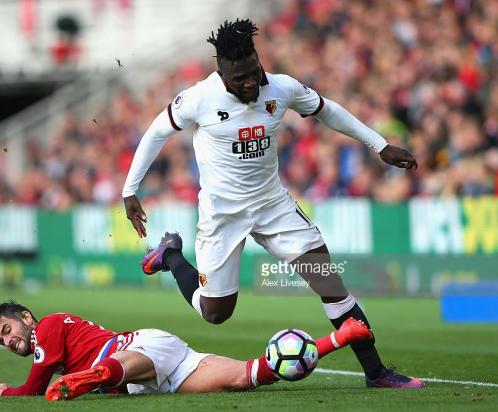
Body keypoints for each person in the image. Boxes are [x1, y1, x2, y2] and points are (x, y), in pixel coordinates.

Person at [122, 19, 424, 388]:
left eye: (253, 72)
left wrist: (379, 145)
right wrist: (129, 189)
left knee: (329, 283)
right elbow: (156, 132)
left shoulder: (282, 88)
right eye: (239, 80)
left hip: (272, 205)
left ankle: (376, 372)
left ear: (257, 59)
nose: (250, 83)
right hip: (222, 215)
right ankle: (170, 255)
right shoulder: (199, 99)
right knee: (216, 314)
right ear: (221, 73)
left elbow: (327, 110)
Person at [0, 301, 373, 400]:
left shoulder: (49, 327)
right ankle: (341, 337)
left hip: (136, 349)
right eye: (2, 341)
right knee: (247, 375)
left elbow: (33, 388)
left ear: (26, 317)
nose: (9, 341)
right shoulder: (49, 335)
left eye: (8, 330)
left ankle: (96, 377)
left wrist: (3, 393)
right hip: (160, 371)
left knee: (113, 368)